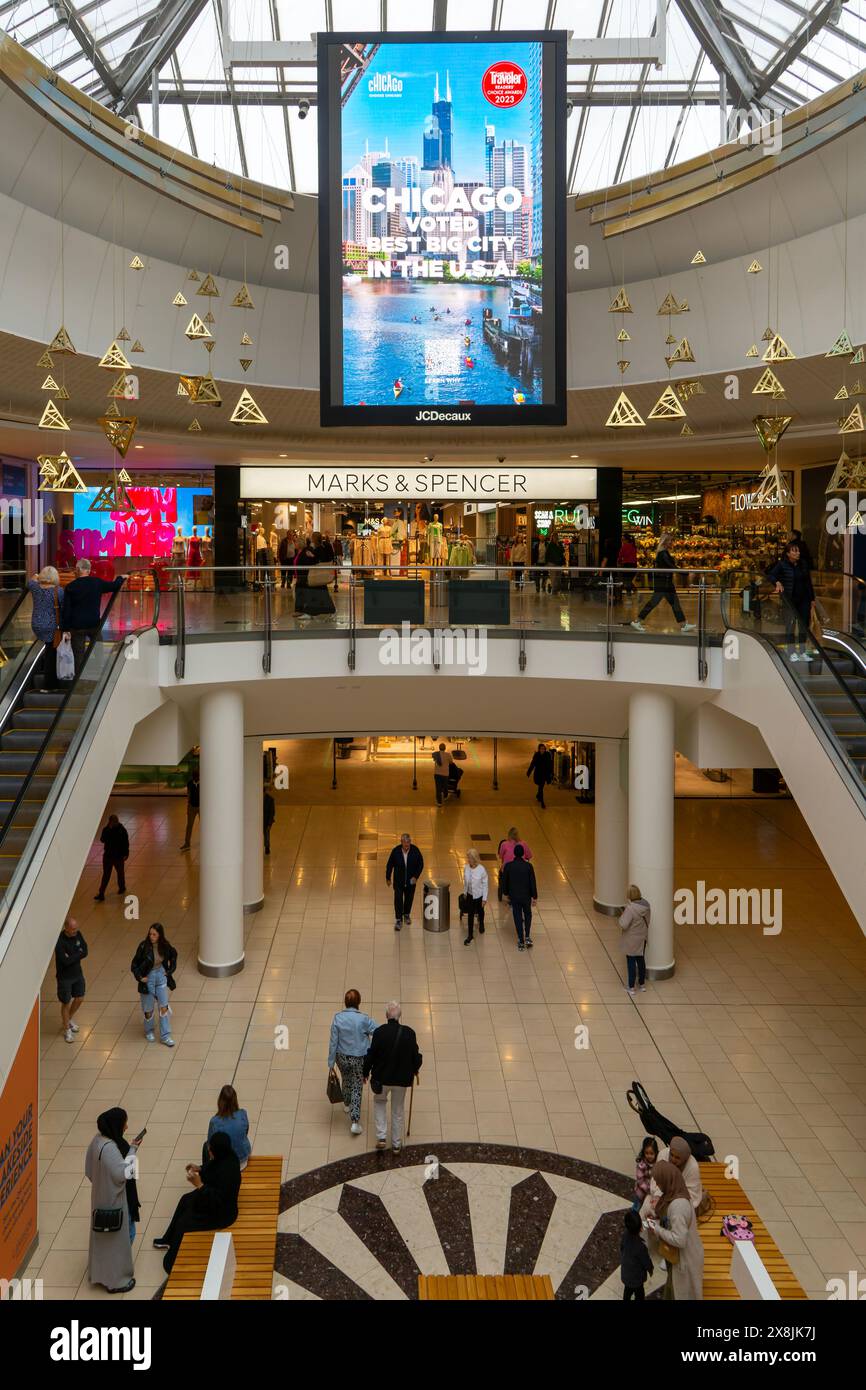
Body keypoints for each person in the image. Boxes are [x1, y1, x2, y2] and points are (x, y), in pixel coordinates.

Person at [153, 1130, 241, 1274]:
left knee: (184, 1223)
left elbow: (218, 1201)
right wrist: (200, 1169)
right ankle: (168, 1239)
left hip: (223, 1213)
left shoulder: (228, 1171)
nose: (209, 1151)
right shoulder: (228, 1157)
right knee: (185, 1199)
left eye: (210, 1149)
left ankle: (171, 1262)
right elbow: (213, 1167)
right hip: (210, 1196)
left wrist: (199, 1185)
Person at [84, 1108, 138, 1293]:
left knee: (102, 1242)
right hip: (115, 1204)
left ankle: (100, 1274)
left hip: (99, 1199)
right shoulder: (112, 1150)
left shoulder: (96, 1141)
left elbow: (89, 1171)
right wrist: (133, 1151)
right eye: (124, 1123)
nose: (127, 1126)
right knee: (118, 1243)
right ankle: (117, 1281)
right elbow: (124, 1174)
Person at [363, 1001, 423, 1154]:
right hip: (401, 1081)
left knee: (380, 1103)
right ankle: (396, 1144)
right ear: (399, 1016)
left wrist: (365, 1072)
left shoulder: (379, 1032)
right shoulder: (410, 1033)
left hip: (381, 1079)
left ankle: (382, 1137)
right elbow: (415, 1057)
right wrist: (416, 1068)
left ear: (386, 1016)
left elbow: (371, 1055)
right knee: (397, 1110)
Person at [642, 1159, 704, 1300]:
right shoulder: (675, 1190)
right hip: (679, 1259)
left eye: (659, 1181)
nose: (657, 1185)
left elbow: (679, 1239)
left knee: (678, 1293)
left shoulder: (679, 1207)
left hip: (684, 1261)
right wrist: (656, 1213)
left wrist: (656, 1228)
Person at [60, 557, 124, 676]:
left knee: (78, 653)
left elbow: (67, 610)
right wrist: (121, 577)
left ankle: (79, 681)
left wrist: (65, 629)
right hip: (94, 624)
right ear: (89, 570)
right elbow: (114, 585)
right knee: (98, 649)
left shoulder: (71, 586)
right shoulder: (97, 583)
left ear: (78, 569)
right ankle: (98, 674)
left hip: (77, 626)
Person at [328, 989, 377, 1135]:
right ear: (359, 1002)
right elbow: (378, 1031)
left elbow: (333, 1042)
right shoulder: (363, 1019)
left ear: (345, 1002)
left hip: (341, 1057)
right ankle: (355, 1122)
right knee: (357, 1086)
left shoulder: (337, 1018)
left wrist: (331, 1062)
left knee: (346, 1078)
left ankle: (347, 1103)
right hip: (358, 1057)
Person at [631, 534, 696, 634]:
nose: (672, 543)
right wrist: (686, 573)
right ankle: (637, 621)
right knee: (654, 603)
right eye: (670, 541)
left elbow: (670, 566)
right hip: (663, 583)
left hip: (665, 582)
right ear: (665, 542)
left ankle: (683, 625)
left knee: (675, 604)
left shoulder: (663, 553)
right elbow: (671, 566)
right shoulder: (663, 553)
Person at [768, 541, 816, 662]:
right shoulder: (782, 564)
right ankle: (791, 652)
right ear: (788, 553)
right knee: (790, 626)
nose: (798, 553)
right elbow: (771, 575)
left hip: (804, 599)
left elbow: (808, 583)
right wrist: (777, 582)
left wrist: (812, 599)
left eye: (798, 551)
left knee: (803, 626)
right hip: (789, 600)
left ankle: (803, 652)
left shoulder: (803, 564)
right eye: (794, 551)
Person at [131, 922, 177, 1047]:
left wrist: (169, 971)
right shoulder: (143, 947)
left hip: (161, 975)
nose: (151, 936)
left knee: (164, 1007)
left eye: (154, 934)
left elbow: (174, 955)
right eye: (150, 934)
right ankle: (149, 1030)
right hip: (148, 977)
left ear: (160, 935)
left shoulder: (165, 946)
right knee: (148, 1009)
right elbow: (134, 965)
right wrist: (140, 977)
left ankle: (165, 1036)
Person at [27, 565, 64, 691]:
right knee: (51, 654)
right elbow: (63, 607)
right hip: (51, 627)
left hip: (36, 624)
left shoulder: (34, 587)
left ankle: (43, 663)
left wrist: (37, 576)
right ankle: (50, 685)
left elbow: (31, 580)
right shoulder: (58, 591)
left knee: (48, 648)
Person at [55, 916, 87, 1043]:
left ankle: (68, 1020)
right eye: (73, 929)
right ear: (66, 928)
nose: (76, 931)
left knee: (80, 998)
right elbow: (65, 961)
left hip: (78, 974)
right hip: (64, 978)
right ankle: (67, 1029)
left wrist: (73, 955)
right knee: (66, 1002)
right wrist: (77, 954)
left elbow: (85, 951)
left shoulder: (78, 934)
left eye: (76, 928)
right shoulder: (60, 941)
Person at [501, 843, 537, 951]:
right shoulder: (528, 866)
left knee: (517, 916)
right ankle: (527, 936)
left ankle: (520, 940)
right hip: (526, 896)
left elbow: (505, 882)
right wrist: (534, 897)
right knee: (528, 914)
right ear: (523, 854)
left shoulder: (508, 866)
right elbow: (532, 882)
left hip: (514, 896)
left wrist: (506, 893)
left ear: (514, 854)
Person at [206, 1084, 252, 1169]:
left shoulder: (215, 1122)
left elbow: (210, 1144)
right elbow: (246, 1131)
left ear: (220, 1101)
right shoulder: (242, 1114)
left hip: (225, 1164)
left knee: (207, 1146)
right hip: (243, 1159)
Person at [385, 833, 424, 930]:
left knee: (409, 899)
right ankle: (398, 919)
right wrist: (388, 878)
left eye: (408, 842)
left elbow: (421, 864)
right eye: (405, 843)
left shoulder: (415, 851)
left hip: (411, 882)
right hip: (399, 881)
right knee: (398, 899)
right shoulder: (396, 851)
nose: (407, 845)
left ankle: (406, 914)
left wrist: (416, 876)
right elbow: (390, 865)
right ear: (401, 842)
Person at [657, 1136, 704, 1211]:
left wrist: (671, 1200)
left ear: (684, 1159)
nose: (673, 1160)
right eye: (671, 1155)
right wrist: (658, 1197)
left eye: (677, 1158)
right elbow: (656, 1181)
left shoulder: (692, 1167)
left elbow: (691, 1195)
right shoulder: (663, 1155)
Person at [619, 884, 650, 995]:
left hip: (631, 939)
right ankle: (641, 984)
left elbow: (623, 924)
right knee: (641, 960)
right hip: (642, 937)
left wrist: (622, 915)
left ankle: (631, 987)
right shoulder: (646, 905)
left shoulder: (630, 909)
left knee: (631, 961)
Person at [94, 813, 129, 900]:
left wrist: (126, 854)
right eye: (113, 822)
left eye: (115, 822)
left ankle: (122, 887)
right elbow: (102, 840)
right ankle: (101, 893)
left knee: (120, 873)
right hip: (108, 856)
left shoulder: (122, 830)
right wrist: (108, 830)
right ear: (110, 822)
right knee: (106, 874)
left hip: (118, 856)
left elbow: (125, 843)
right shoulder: (106, 829)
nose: (114, 823)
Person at [620, 1208, 653, 1301]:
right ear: (640, 1228)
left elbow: (621, 1248)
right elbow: (646, 1261)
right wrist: (650, 1268)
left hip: (626, 1274)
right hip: (637, 1278)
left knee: (627, 1291)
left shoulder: (625, 1235)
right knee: (639, 1294)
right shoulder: (640, 1247)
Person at [462, 847, 488, 946]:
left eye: (469, 858)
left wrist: (484, 899)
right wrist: (465, 893)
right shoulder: (466, 867)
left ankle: (481, 922)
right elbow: (466, 882)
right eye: (467, 858)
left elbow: (485, 884)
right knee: (470, 914)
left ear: (474, 859)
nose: (468, 860)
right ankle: (470, 935)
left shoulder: (481, 869)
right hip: (469, 895)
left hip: (479, 896)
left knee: (480, 911)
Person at [633, 1136, 659, 1212]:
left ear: (656, 1153)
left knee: (648, 1209)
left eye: (651, 1153)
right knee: (637, 1207)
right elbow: (640, 1180)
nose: (649, 1156)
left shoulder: (658, 1163)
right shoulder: (641, 1165)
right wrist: (649, 1189)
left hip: (652, 1192)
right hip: (641, 1192)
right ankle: (633, 1218)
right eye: (646, 1153)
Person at [526, 742, 553, 808]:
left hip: (544, 774)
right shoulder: (536, 755)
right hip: (538, 773)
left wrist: (551, 773)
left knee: (541, 786)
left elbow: (550, 765)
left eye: (543, 749)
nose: (542, 750)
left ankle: (542, 802)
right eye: (541, 749)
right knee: (540, 786)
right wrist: (529, 772)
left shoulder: (547, 755)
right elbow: (533, 764)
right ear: (539, 749)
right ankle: (538, 795)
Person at [179, 768, 200, 850]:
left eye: (197, 776)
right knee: (189, 826)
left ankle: (208, 842)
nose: (196, 778)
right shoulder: (190, 783)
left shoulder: (203, 783)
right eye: (194, 777)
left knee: (205, 826)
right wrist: (188, 806)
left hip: (200, 807)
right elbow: (189, 794)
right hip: (192, 807)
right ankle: (187, 843)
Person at [544, 526, 566, 594]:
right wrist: (547, 563)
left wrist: (558, 545)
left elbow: (562, 551)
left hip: (559, 563)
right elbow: (547, 554)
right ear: (552, 537)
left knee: (558, 578)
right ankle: (553, 590)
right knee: (553, 578)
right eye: (554, 536)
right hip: (552, 563)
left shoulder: (559, 544)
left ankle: (556, 589)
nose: (555, 538)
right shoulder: (550, 545)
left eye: (556, 537)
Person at [263, 785, 275, 855]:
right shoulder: (256, 799)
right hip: (259, 821)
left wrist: (270, 823)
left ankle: (267, 847)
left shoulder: (270, 799)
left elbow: (272, 812)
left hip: (267, 821)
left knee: (267, 834)